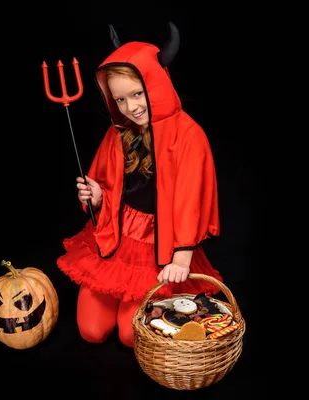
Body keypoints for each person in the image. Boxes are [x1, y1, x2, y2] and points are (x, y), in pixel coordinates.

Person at [57, 22, 223, 348]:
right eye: (119, 99)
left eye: (137, 93)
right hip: (117, 235)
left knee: (130, 336)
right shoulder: (118, 133)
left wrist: (182, 257)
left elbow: (193, 199)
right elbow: (108, 185)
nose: (131, 107)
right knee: (91, 331)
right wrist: (96, 196)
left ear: (157, 84)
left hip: (159, 245)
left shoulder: (189, 136)